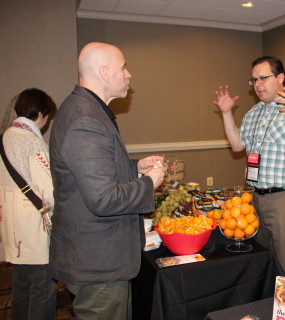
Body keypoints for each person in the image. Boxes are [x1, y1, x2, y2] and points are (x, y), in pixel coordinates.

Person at [48, 42, 166, 319]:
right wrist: (149, 182)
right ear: (104, 72)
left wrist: (136, 167)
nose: (129, 74)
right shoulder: (85, 119)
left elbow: (98, 170)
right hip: (97, 260)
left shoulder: (87, 109)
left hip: (98, 255)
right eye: (123, 67)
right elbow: (103, 198)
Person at [214, 56, 285, 280]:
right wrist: (227, 113)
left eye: (263, 78)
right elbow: (238, 145)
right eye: (254, 80)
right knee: (265, 259)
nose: (258, 84)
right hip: (256, 198)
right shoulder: (255, 112)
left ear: (280, 78)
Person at [0, 88, 57, 320]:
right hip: (32, 222)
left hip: (10, 220)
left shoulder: (5, 136)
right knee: (42, 285)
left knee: (22, 283)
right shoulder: (33, 143)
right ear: (41, 114)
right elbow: (50, 192)